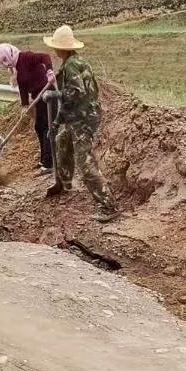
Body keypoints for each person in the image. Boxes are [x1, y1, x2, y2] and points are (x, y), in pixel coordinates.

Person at [40, 25, 118, 223]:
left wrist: (54, 94)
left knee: (85, 162)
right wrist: (57, 123)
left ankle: (108, 206)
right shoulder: (74, 62)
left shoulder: (72, 65)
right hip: (79, 114)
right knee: (61, 139)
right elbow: (71, 101)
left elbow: (76, 94)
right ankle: (63, 182)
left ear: (61, 48)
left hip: (83, 118)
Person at [0, 43, 58, 174]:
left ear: (9, 55)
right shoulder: (17, 67)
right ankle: (44, 159)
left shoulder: (26, 57)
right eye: (3, 63)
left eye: (4, 60)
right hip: (38, 97)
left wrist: (49, 71)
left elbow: (45, 56)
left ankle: (49, 163)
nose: (5, 65)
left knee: (47, 127)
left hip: (47, 94)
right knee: (39, 127)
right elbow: (22, 87)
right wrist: (24, 106)